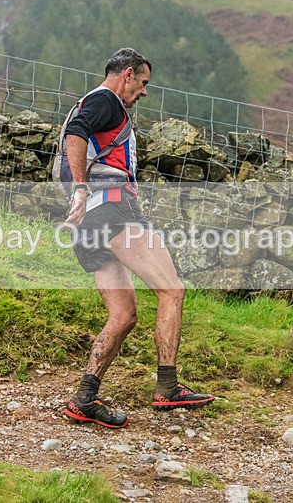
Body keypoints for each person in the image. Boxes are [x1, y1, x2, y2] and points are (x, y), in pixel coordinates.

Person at [59, 48, 214, 429]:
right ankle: (168, 387)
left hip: (88, 224)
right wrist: (82, 188)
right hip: (112, 210)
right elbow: (77, 135)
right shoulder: (106, 100)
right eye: (143, 82)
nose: (144, 92)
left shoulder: (90, 103)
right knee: (172, 291)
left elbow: (74, 138)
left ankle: (84, 399)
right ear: (127, 74)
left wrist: (79, 194)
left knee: (123, 315)